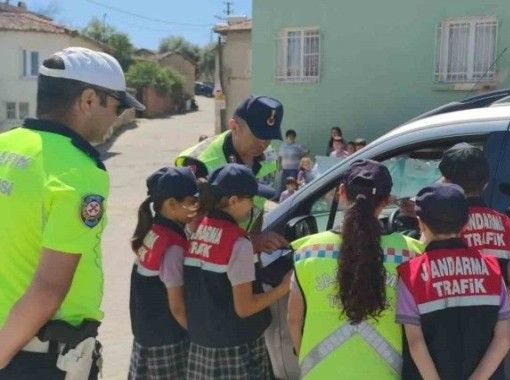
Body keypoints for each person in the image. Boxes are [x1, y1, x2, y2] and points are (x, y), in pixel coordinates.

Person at [0, 47, 144, 379]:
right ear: (89, 99)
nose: (118, 116)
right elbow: (49, 288)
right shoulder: (79, 171)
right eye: (117, 105)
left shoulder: (7, 146)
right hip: (37, 359)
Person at [288, 159, 423, 379]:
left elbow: (294, 319)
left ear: (341, 192)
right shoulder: (410, 253)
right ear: (386, 200)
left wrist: (302, 353)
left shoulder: (308, 251)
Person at [184, 163, 292, 380]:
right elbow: (245, 307)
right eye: (250, 200)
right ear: (233, 201)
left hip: (201, 345)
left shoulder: (197, 229)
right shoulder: (238, 243)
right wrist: (283, 288)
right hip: (237, 350)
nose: (253, 206)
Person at [397, 183, 510, 380]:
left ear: (421, 224)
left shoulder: (411, 274)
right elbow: (504, 338)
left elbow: (416, 343)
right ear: (465, 224)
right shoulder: (492, 269)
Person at [175, 95, 287, 252]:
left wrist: (254, 249)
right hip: (204, 259)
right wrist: (251, 242)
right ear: (234, 127)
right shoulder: (200, 162)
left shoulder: (270, 157)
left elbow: (258, 208)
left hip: (241, 254)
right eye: (257, 136)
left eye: (269, 138)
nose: (263, 143)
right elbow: (194, 226)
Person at [129, 167, 199, 379]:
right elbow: (177, 307)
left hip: (147, 337)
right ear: (171, 205)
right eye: (192, 202)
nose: (196, 207)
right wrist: (200, 338)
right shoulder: (173, 248)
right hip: (167, 343)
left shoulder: (155, 232)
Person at [440, 143, 510, 304]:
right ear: (486, 182)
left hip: (447, 323)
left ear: (446, 182)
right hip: (492, 326)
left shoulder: (441, 223)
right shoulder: (505, 225)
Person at [279, 129, 309, 194]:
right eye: (289, 136)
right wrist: (279, 166)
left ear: (294, 137)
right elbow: (280, 157)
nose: (291, 138)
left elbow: (306, 152)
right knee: (283, 184)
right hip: (284, 169)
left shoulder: (298, 145)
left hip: (294, 169)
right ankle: (281, 198)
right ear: (286, 137)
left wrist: (301, 160)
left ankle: (291, 199)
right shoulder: (283, 146)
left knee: (292, 184)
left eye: (293, 136)